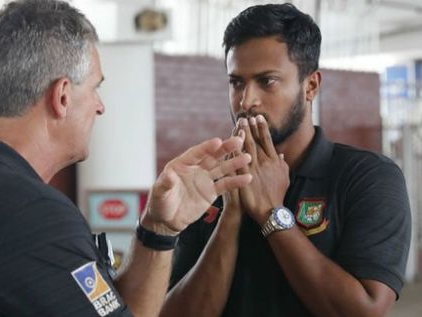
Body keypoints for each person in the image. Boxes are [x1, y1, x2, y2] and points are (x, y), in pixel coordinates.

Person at [0, 1, 253, 316]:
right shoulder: (32, 215)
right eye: (95, 88)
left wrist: (159, 228)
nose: (100, 106)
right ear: (62, 96)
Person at [162, 3, 412, 317]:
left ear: (311, 85)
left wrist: (271, 213)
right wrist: (232, 215)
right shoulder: (211, 182)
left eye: (267, 81)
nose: (246, 101)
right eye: (236, 82)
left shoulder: (367, 177)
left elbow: (365, 310)